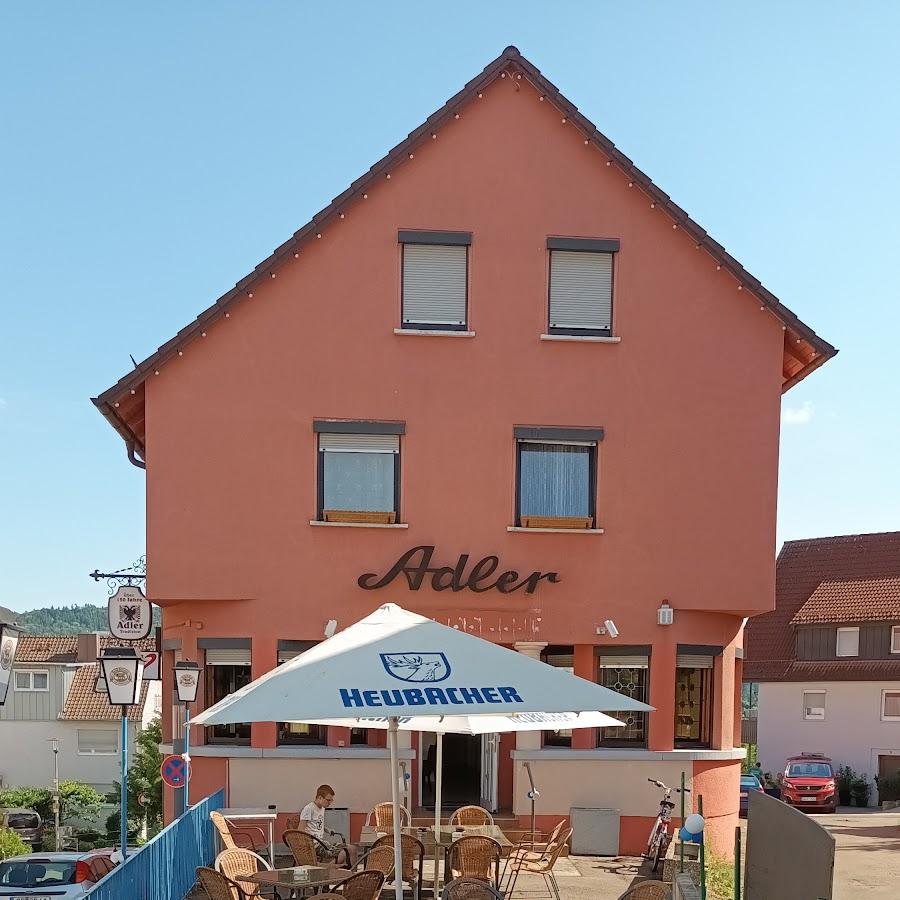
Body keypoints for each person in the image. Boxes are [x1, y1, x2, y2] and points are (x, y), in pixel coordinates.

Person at [298, 784, 355, 866]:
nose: (330, 803)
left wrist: (327, 829)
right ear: (320, 797)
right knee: (350, 849)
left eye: (331, 800)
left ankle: (329, 867)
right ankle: (346, 872)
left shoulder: (322, 808)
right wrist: (308, 845)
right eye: (328, 800)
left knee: (351, 849)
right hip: (315, 845)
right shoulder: (309, 809)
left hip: (322, 843)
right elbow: (300, 830)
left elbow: (315, 824)